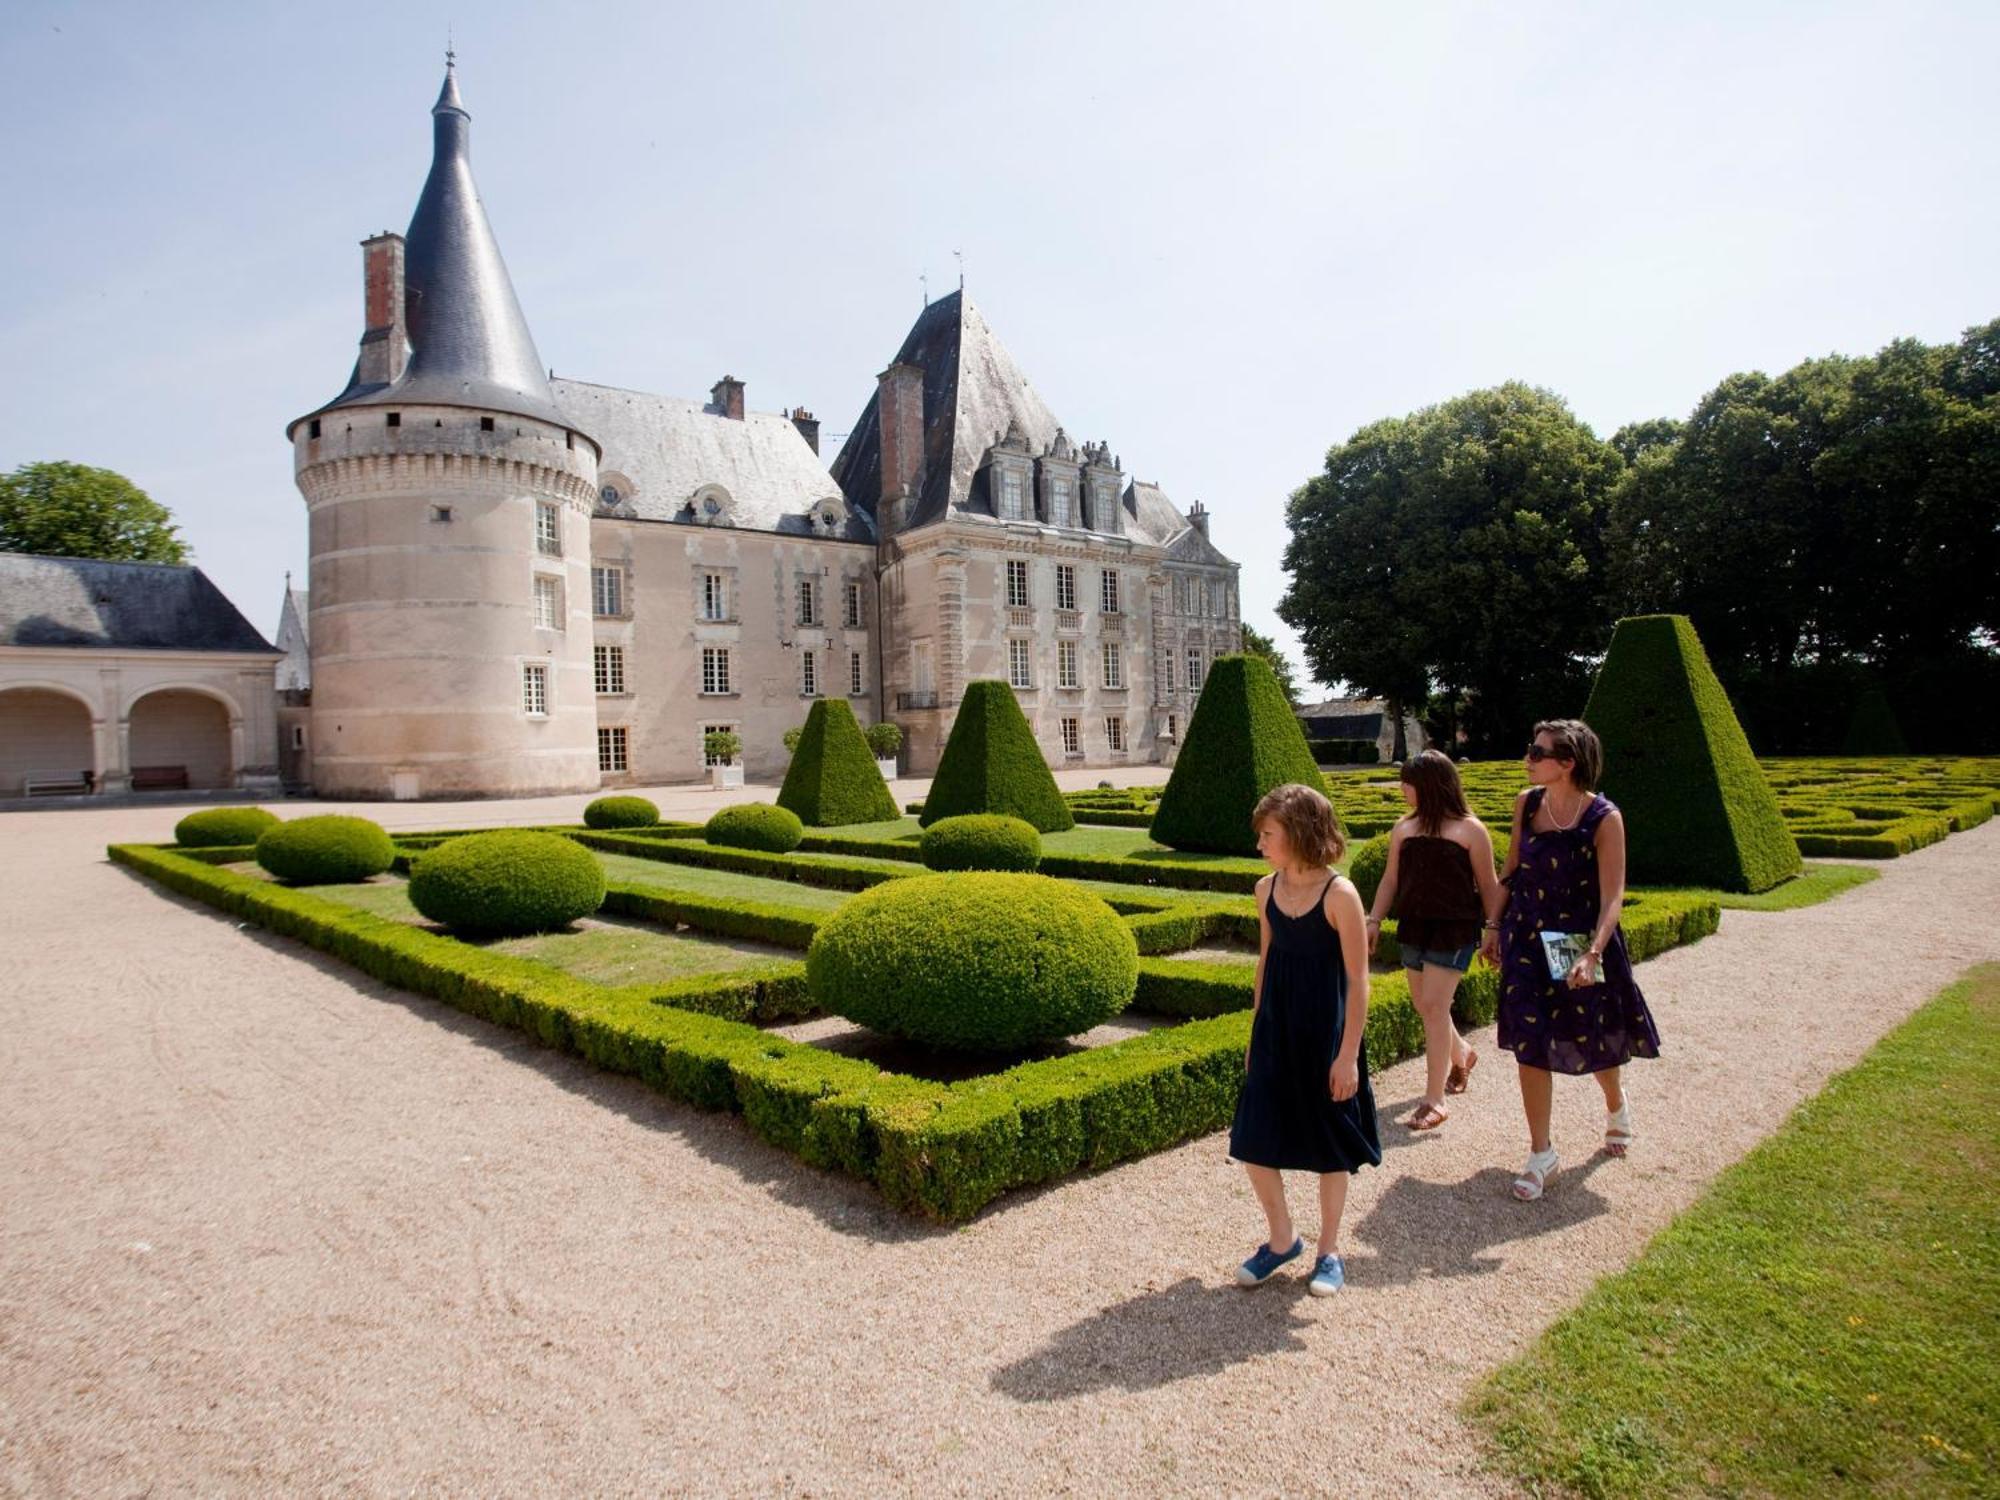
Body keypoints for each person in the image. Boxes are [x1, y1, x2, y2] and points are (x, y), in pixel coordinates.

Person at [1484, 719, 1660, 1200]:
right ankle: (1542, 1153)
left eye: (1537, 752)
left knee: (1594, 1035)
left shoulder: (1604, 817)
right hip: (1526, 934)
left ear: (1568, 763)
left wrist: (1593, 952)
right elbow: (1511, 871)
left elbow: (1613, 897)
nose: (1528, 758)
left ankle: (1615, 1102)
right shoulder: (1528, 803)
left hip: (1572, 940)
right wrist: (1493, 926)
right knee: (1530, 1041)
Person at [1228, 782, 1380, 1295]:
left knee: (1329, 1145)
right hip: (1276, 1028)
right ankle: (1281, 1239)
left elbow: (1360, 981)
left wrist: (1348, 1056)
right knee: (1253, 1140)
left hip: (1325, 1034)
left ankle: (1329, 1251)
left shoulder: (1340, 895)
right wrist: (1256, 1031)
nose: (1261, 845)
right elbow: (1267, 960)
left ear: (1298, 832)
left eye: (1268, 834)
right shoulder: (1265, 889)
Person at [1364, 750, 1505, 1131]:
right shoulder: (1404, 828)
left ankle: (1434, 1100)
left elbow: (1489, 884)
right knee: (1425, 1006)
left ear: (1428, 785)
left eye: (1407, 782)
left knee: (1434, 1006)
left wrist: (1494, 929)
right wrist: (1374, 919)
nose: (1402, 788)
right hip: (1415, 925)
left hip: (1454, 928)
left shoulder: (1470, 830)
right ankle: (1463, 1053)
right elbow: (1391, 879)